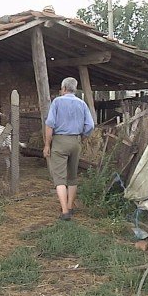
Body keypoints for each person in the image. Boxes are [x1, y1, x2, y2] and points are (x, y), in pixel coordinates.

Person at [43, 77, 95, 220]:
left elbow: (50, 124)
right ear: (75, 89)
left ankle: (65, 211)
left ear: (64, 88)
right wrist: (82, 137)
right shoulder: (82, 103)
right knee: (72, 177)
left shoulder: (57, 102)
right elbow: (90, 125)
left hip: (60, 141)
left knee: (59, 178)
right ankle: (71, 207)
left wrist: (47, 145)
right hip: (76, 141)